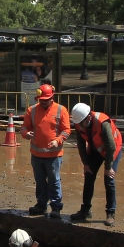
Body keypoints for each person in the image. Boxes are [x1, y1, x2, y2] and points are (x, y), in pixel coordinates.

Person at [21, 84, 72, 218]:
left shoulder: (61, 110)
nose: (43, 102)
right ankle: (41, 205)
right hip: (36, 154)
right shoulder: (32, 110)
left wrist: (58, 140)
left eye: (45, 100)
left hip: (53, 155)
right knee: (40, 181)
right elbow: (24, 128)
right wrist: (26, 134)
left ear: (52, 97)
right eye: (40, 100)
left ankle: (56, 207)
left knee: (54, 181)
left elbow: (67, 130)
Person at [68, 103, 122, 227]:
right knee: (89, 176)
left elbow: (111, 146)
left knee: (109, 179)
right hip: (95, 150)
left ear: (88, 117)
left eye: (82, 122)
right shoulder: (78, 123)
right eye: (78, 123)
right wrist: (85, 164)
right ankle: (85, 210)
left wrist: (108, 168)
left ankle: (110, 213)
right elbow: (81, 145)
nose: (80, 125)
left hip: (112, 150)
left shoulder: (103, 123)